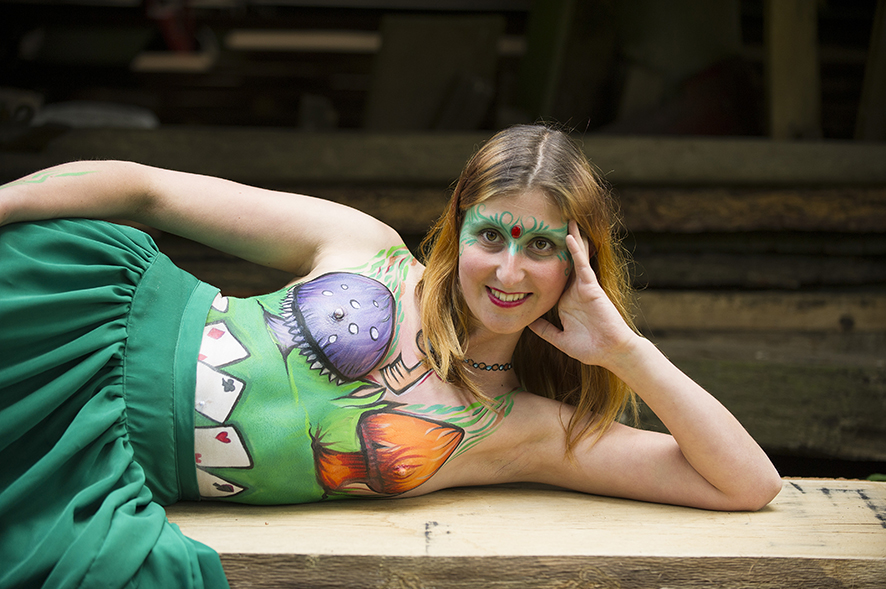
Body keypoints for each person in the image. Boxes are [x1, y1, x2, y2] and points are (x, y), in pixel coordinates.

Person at [0, 124, 782, 588]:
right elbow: (146, 190)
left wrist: (623, 349)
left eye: (542, 246)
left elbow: (746, 482)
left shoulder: (522, 429)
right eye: (492, 234)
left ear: (578, 262)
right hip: (84, 328)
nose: (510, 271)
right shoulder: (365, 247)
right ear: (459, 226)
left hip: (106, 469)